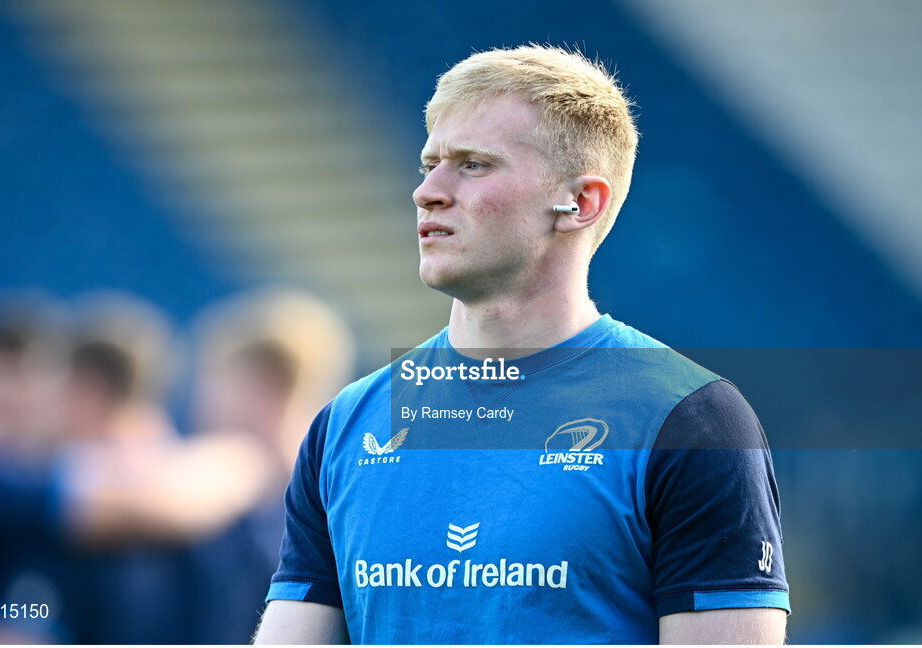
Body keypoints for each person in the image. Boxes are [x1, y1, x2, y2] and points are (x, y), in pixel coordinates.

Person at [254, 45, 789, 644]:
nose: (427, 191)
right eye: (429, 164)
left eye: (473, 164)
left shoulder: (692, 420)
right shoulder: (346, 424)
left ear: (579, 204)